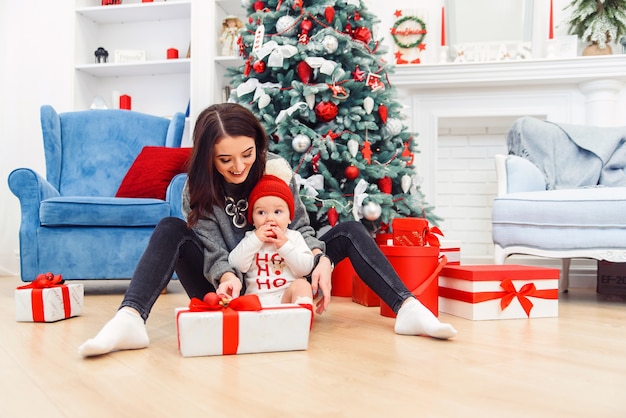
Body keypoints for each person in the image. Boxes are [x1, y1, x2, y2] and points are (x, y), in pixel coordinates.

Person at [78, 103, 456, 358]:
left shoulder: (275, 168)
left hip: (286, 274)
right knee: (171, 228)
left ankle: (408, 308)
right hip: (228, 283)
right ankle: (129, 320)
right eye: (225, 159)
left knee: (351, 230)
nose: (239, 166)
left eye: (247, 154)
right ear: (208, 155)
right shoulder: (198, 185)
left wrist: (320, 258)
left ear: (258, 147)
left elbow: (302, 226)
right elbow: (208, 244)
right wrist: (226, 275)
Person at [228, 164, 314, 308]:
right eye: (261, 213)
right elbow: (236, 264)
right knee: (236, 303)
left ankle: (302, 315)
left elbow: (305, 268)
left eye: (277, 212)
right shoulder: (251, 238)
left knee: (302, 285)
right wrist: (256, 239)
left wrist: (284, 246)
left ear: (289, 218)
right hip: (256, 300)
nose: (270, 219)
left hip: (286, 299)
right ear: (253, 220)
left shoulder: (294, 237)